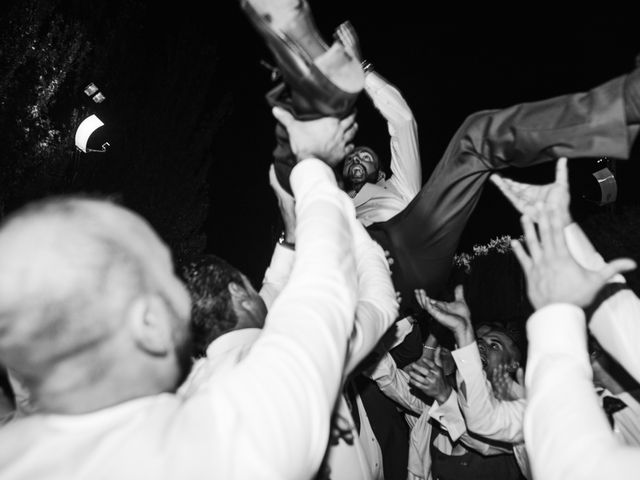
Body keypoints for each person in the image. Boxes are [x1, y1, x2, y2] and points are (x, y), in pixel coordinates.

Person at [0, 106, 365, 479]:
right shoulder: (201, 441)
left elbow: (268, 303)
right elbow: (319, 299)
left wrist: (289, 237)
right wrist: (313, 168)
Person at [241, 1, 640, 318]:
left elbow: (402, 121)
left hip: (412, 237)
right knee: (302, 189)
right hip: (361, 273)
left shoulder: (396, 185)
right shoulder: (336, 200)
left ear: (380, 168)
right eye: (356, 157)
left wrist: (365, 74)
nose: (360, 158)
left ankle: (623, 105)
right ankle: (300, 83)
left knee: (476, 135)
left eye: (367, 155)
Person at [179, 162, 399, 480]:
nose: (259, 291)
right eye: (248, 285)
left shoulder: (193, 390)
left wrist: (291, 236)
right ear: (239, 294)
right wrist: (342, 218)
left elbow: (271, 291)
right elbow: (380, 303)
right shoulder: (295, 352)